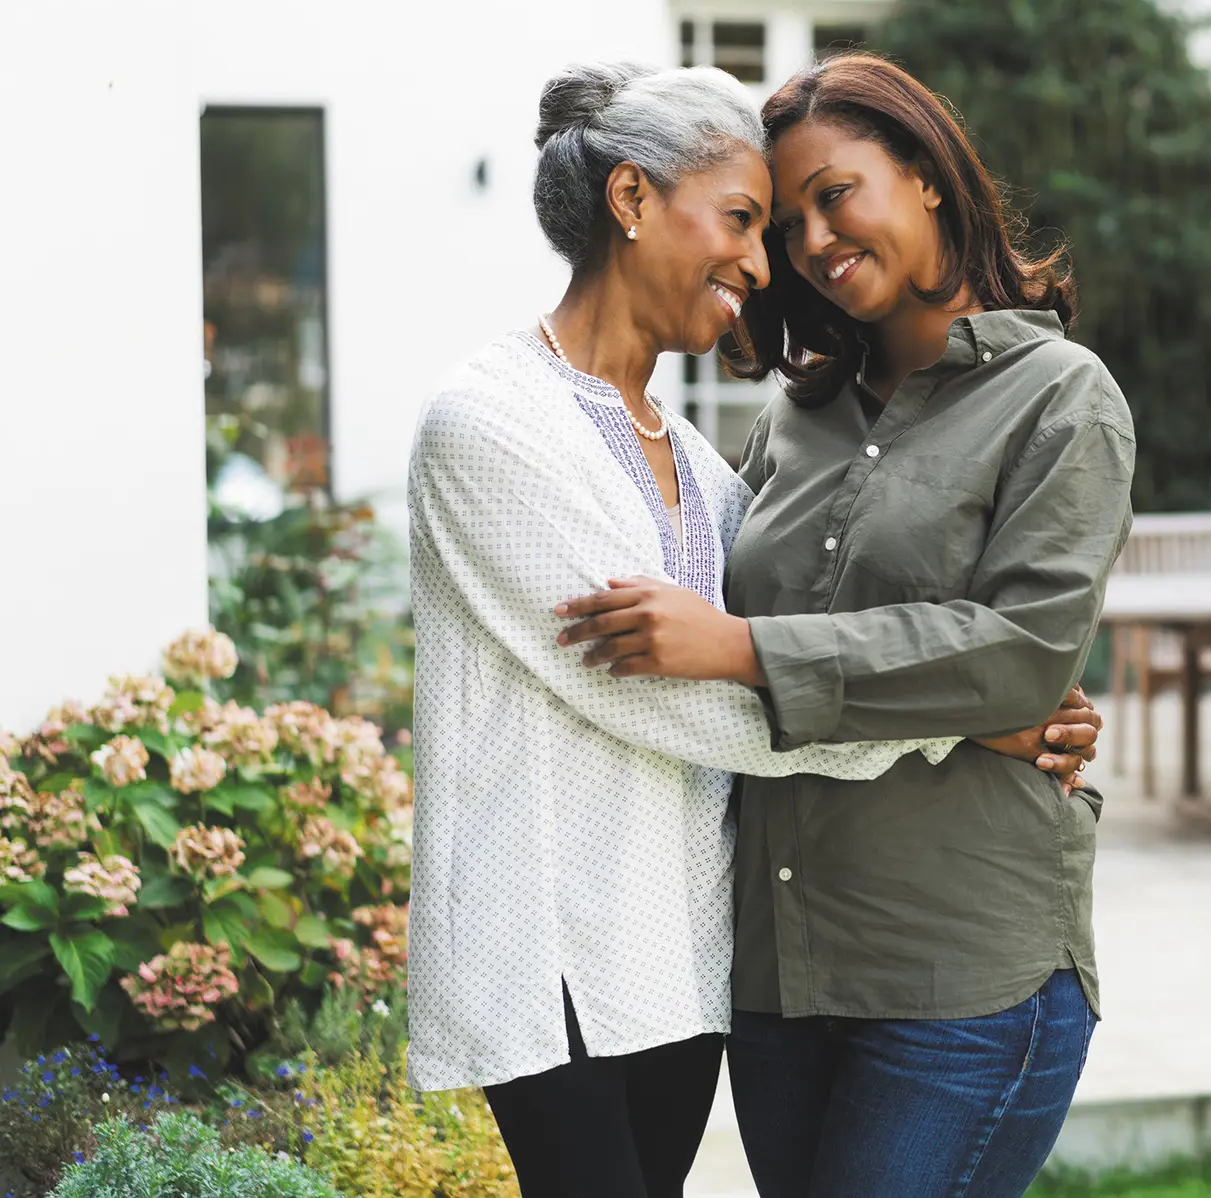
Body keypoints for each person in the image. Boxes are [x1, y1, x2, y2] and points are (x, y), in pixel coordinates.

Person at [406, 60, 1098, 1198]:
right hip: (551, 949)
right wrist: (955, 727)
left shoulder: (693, 458)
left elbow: (781, 638)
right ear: (632, 201)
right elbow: (662, 689)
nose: (765, 263)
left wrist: (985, 687)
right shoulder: (489, 421)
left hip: (681, 947)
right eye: (744, 219)